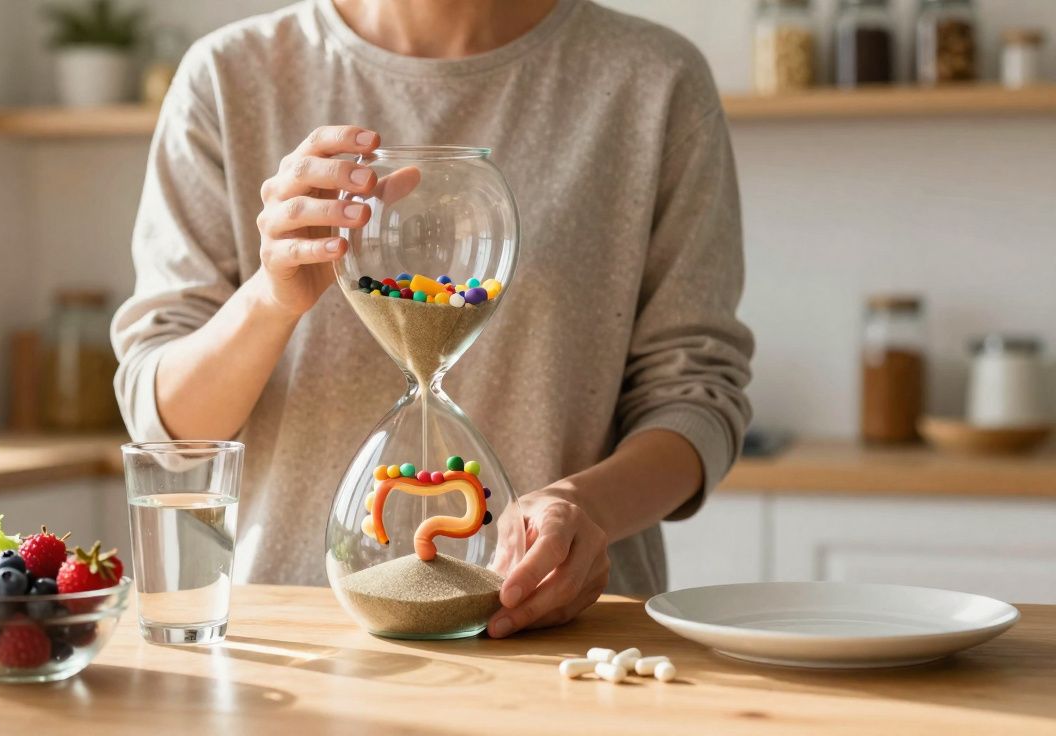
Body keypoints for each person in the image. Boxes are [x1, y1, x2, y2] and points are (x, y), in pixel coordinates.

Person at [112, 0, 753, 638]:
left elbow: (697, 396)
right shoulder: (230, 75)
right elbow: (168, 433)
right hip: (289, 632)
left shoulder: (653, 77)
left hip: (563, 632)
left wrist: (584, 505)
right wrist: (269, 298)